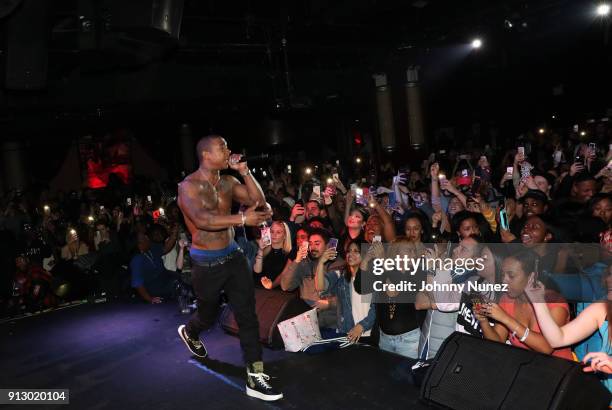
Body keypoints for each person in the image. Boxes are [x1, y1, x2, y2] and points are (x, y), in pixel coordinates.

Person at [176, 135, 282, 401]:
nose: (229, 150)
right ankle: (190, 331)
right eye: (222, 147)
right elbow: (203, 220)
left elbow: (258, 201)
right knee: (208, 315)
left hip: (233, 256)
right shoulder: (188, 186)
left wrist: (245, 172)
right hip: (206, 262)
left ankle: (255, 374)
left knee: (247, 315)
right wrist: (243, 218)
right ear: (206, 155)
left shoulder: (228, 181)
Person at [525, 269, 612, 393]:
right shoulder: (602, 308)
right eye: (609, 274)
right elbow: (558, 339)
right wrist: (537, 300)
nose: (609, 280)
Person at [478, 250, 573, 360]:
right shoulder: (507, 299)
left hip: (557, 369)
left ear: (532, 276)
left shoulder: (554, 302)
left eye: (511, 276)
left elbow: (546, 348)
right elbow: (498, 342)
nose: (504, 281)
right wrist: (483, 320)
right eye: (503, 275)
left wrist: (506, 319)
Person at [314, 240, 376, 344]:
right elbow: (320, 287)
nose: (351, 254)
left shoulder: (374, 276)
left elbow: (377, 308)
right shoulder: (342, 276)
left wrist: (362, 326)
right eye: (349, 251)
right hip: (349, 331)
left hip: (370, 332)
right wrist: (321, 263)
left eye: (356, 251)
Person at [255, 221, 293, 290]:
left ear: (285, 235)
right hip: (260, 290)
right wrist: (260, 250)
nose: (274, 235)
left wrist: (271, 286)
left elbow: (284, 275)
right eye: (272, 232)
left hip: (278, 293)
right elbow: (257, 272)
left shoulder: (289, 254)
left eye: (278, 232)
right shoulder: (264, 251)